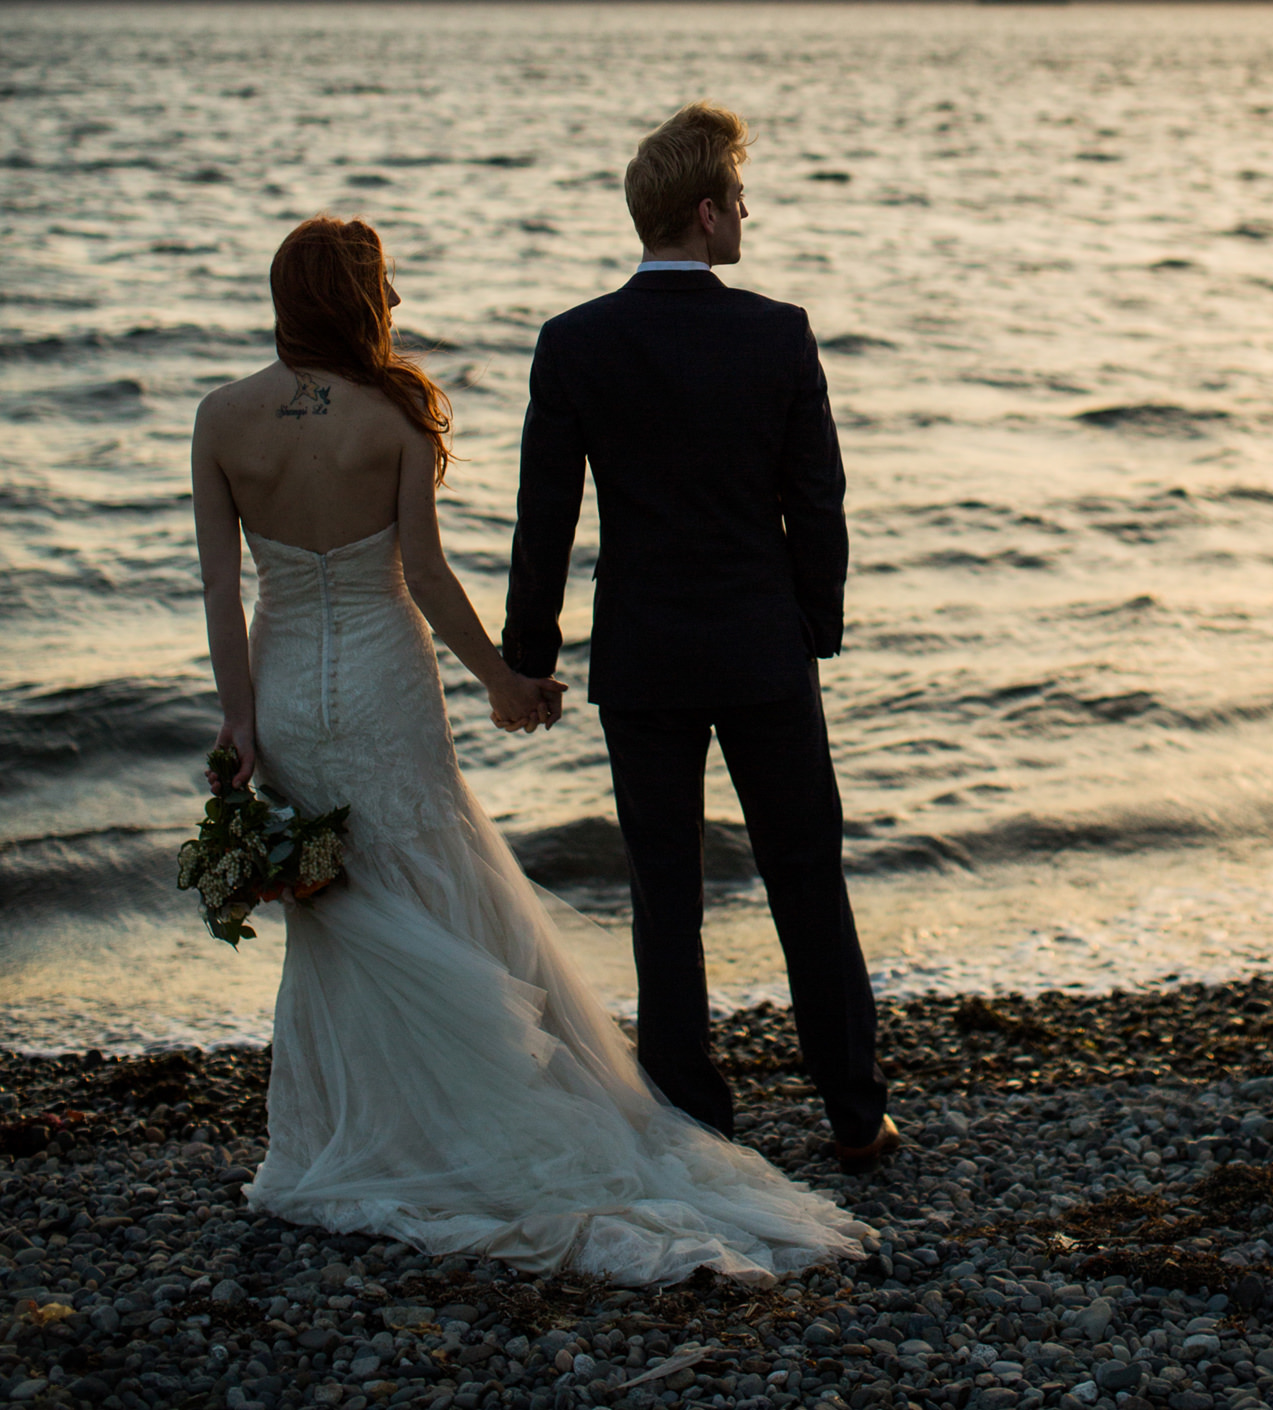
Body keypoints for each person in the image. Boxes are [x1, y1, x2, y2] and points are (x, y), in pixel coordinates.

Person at [191, 213, 864, 1282]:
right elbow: (424, 577)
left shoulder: (222, 418)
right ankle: (481, 1116)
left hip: (284, 691)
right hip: (382, 685)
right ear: (356, 301)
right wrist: (503, 679)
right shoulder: (395, 417)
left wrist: (236, 719)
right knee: (427, 875)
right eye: (386, 287)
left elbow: (223, 588)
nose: (398, 305)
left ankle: (354, 1129)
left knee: (335, 900)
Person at [504, 104, 898, 1168]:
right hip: (763, 645)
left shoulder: (575, 342)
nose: (747, 216)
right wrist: (815, 622)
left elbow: (546, 520)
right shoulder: (776, 332)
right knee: (805, 874)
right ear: (706, 213)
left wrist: (528, 658)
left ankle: (690, 1115)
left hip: (643, 655)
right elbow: (817, 499)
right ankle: (853, 1111)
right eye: (739, 199)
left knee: (663, 891)